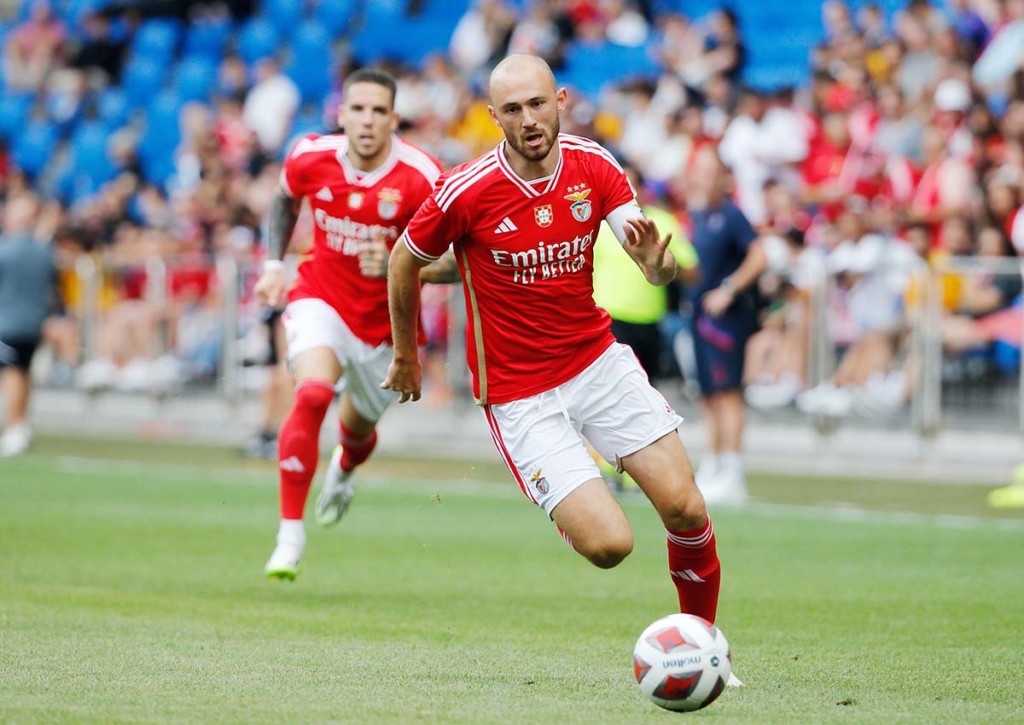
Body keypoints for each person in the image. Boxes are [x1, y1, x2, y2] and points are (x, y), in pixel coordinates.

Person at [383, 55, 740, 687]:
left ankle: (707, 649)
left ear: (561, 100)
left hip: (596, 362)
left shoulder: (595, 165)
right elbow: (404, 261)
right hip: (521, 394)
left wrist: (657, 268)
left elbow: (645, 258)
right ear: (493, 118)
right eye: (513, 110)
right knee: (611, 547)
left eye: (538, 104)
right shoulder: (465, 191)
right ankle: (568, 503)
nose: (529, 120)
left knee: (686, 507)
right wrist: (407, 353)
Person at [256, 68, 457, 580]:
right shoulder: (309, 155)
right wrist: (274, 266)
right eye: (358, 109)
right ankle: (289, 535)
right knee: (313, 393)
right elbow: (284, 198)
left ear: (394, 119)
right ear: (341, 114)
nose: (367, 120)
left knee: (357, 430)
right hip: (320, 295)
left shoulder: (424, 176)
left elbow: (457, 262)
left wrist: (398, 259)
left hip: (388, 328)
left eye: (378, 111)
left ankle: (344, 467)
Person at [684, 146, 767, 506]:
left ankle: (733, 471)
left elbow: (759, 254)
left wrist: (729, 289)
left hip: (724, 321)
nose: (703, 177)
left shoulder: (732, 216)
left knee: (727, 392)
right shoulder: (699, 216)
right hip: (699, 319)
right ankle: (713, 463)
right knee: (707, 395)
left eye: (709, 170)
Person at [0, 193, 58, 457]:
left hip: (7, 322)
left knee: (12, 373)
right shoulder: (43, 251)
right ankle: (19, 425)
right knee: (21, 372)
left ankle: (16, 426)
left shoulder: (7, 250)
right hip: (33, 323)